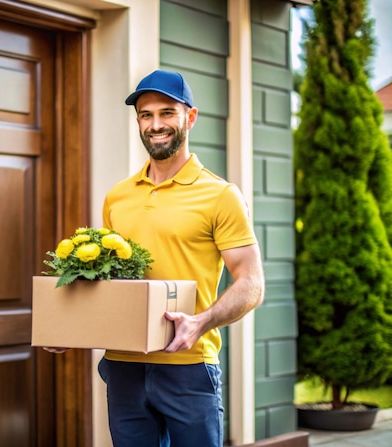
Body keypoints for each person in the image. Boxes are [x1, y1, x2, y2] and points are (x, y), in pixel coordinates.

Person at [47, 69, 265, 447]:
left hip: (189, 369)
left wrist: (200, 322)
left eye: (167, 113)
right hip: (124, 366)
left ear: (190, 117)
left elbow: (251, 283)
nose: (155, 124)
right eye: (146, 115)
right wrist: (73, 324)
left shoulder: (220, 195)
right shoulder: (119, 196)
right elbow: (108, 281)